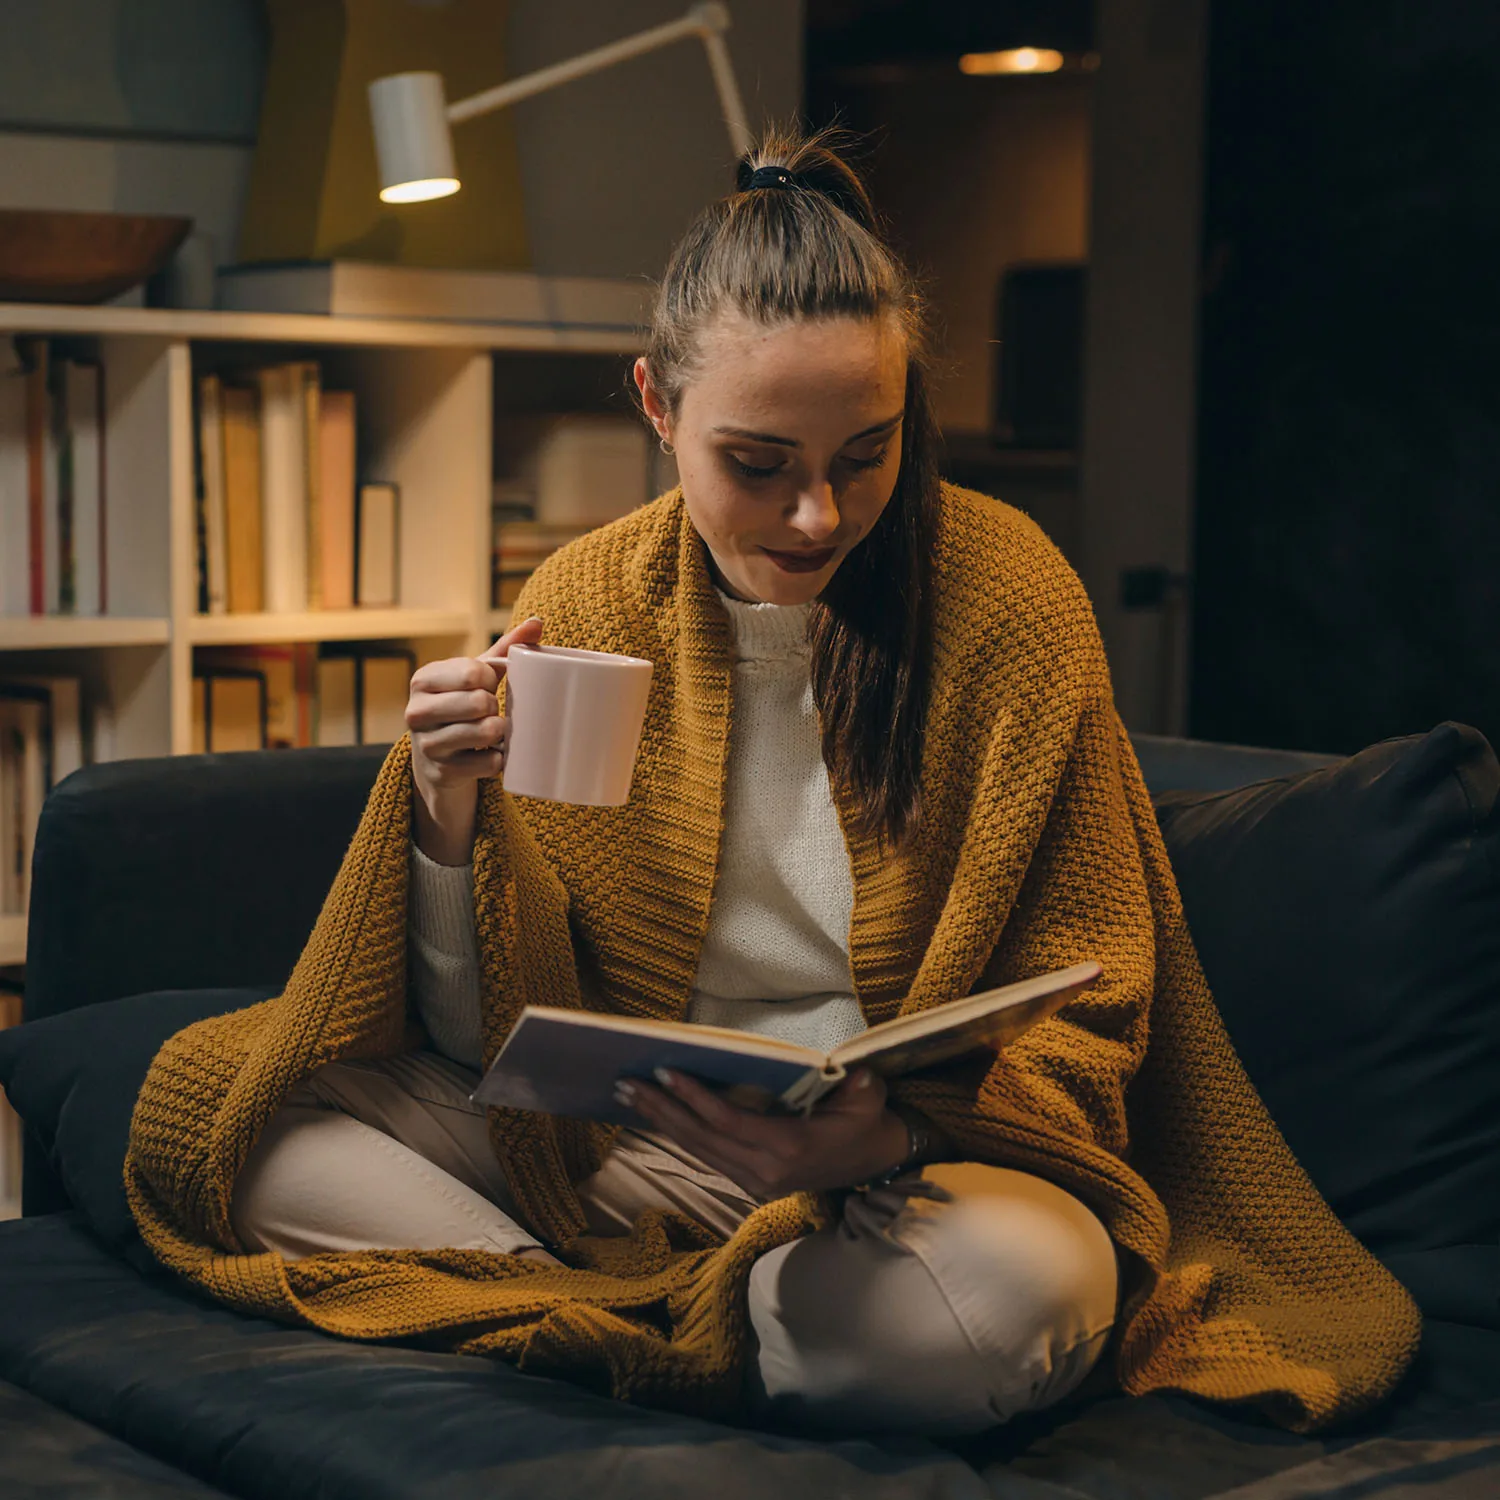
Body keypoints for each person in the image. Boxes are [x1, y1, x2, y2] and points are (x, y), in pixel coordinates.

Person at [130, 127, 1417, 1440]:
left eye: (866, 454)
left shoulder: (1011, 599)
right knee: (234, 1116)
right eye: (759, 465)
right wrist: (446, 813)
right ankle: (640, 1314)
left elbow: (1093, 1000)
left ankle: (571, 1313)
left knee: (998, 1304)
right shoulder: (587, 600)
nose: (818, 516)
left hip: (907, 1166)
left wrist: (887, 1141)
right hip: (633, 1150)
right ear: (657, 407)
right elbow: (483, 1039)